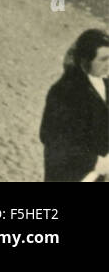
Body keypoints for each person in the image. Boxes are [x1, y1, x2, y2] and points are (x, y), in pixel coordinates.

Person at [39, 28, 109, 182]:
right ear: (85, 61)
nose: (108, 64)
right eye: (103, 59)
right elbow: (52, 139)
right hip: (69, 175)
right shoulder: (64, 92)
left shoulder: (104, 82)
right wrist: (96, 162)